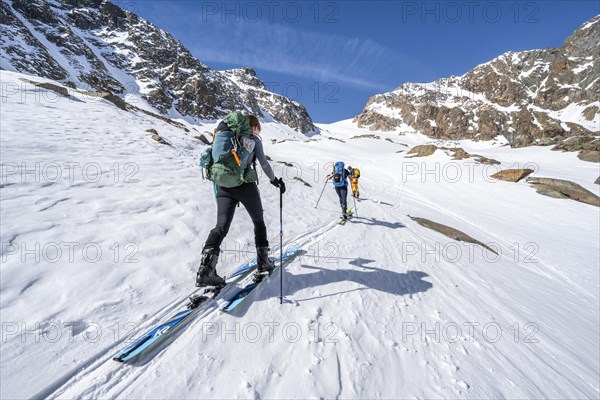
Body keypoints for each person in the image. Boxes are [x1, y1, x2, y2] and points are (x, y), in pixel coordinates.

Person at [196, 115, 286, 287]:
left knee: (220, 227)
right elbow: (264, 164)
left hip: (223, 187)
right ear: (253, 126)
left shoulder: (224, 137)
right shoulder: (253, 140)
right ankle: (263, 262)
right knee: (259, 222)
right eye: (258, 127)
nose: (258, 131)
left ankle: (205, 271)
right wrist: (275, 181)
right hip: (245, 186)